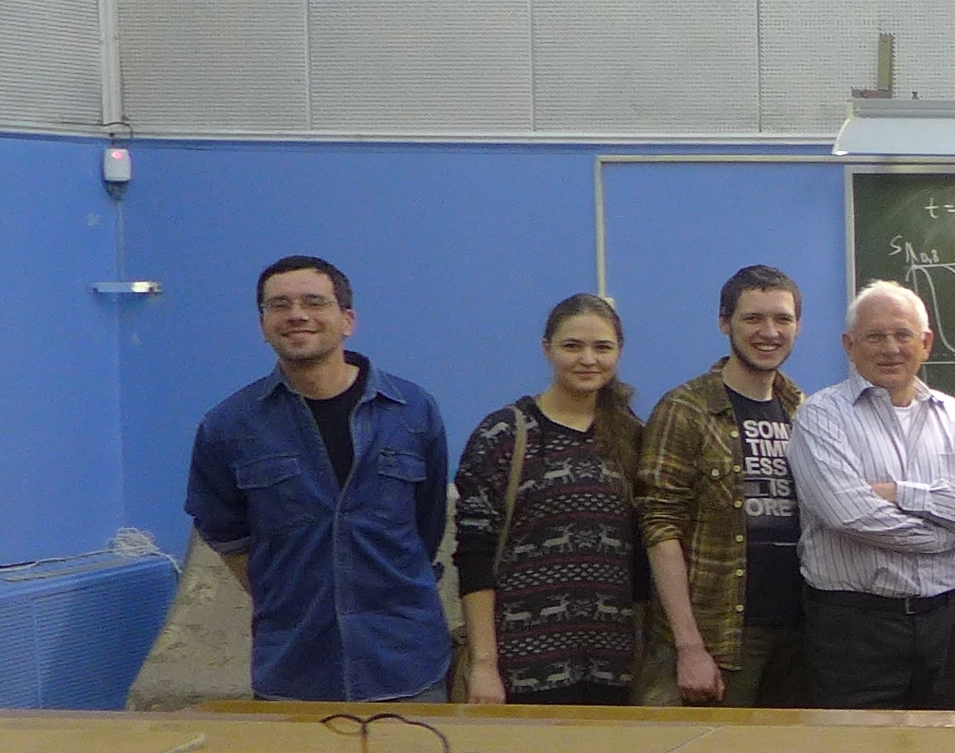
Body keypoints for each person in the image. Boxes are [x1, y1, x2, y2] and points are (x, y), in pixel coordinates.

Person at [185, 255, 454, 702]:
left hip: (406, 664)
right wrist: (286, 591)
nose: (297, 315)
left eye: (314, 302)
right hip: (294, 668)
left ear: (347, 320)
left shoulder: (412, 411)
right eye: (279, 305)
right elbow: (224, 533)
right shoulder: (229, 426)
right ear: (263, 324)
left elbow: (428, 523)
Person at [788, 280, 955, 708]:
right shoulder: (821, 416)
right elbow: (851, 515)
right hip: (854, 629)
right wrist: (950, 531)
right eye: (875, 336)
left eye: (903, 334)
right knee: (856, 748)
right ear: (849, 345)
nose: (890, 348)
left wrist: (901, 494)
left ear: (925, 343)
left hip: (945, 622)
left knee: (940, 746)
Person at [453, 293, 644, 706]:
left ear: (619, 352)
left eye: (602, 347)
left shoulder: (634, 437)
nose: (588, 359)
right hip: (523, 668)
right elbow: (474, 554)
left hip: (616, 667)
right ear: (547, 348)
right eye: (572, 346)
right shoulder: (505, 433)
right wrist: (484, 664)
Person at [633, 264, 810, 708]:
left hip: (799, 635)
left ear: (798, 326)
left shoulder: (804, 409)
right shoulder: (685, 409)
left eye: (782, 319)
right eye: (753, 318)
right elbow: (660, 527)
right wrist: (689, 646)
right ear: (724, 323)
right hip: (719, 638)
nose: (769, 332)